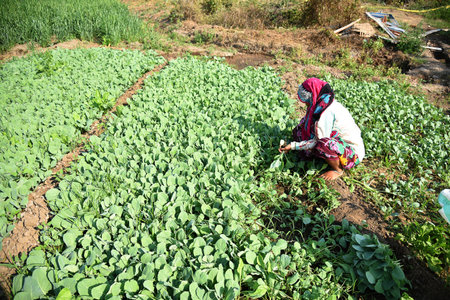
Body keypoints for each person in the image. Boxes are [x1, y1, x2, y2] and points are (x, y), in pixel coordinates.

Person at [279, 78, 365, 180]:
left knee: (324, 144)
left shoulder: (327, 113)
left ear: (313, 96)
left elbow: (318, 141)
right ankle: (323, 156)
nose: (305, 104)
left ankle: (338, 169)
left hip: (351, 153)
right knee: (298, 130)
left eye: (306, 101)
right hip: (338, 142)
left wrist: (294, 146)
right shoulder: (323, 103)